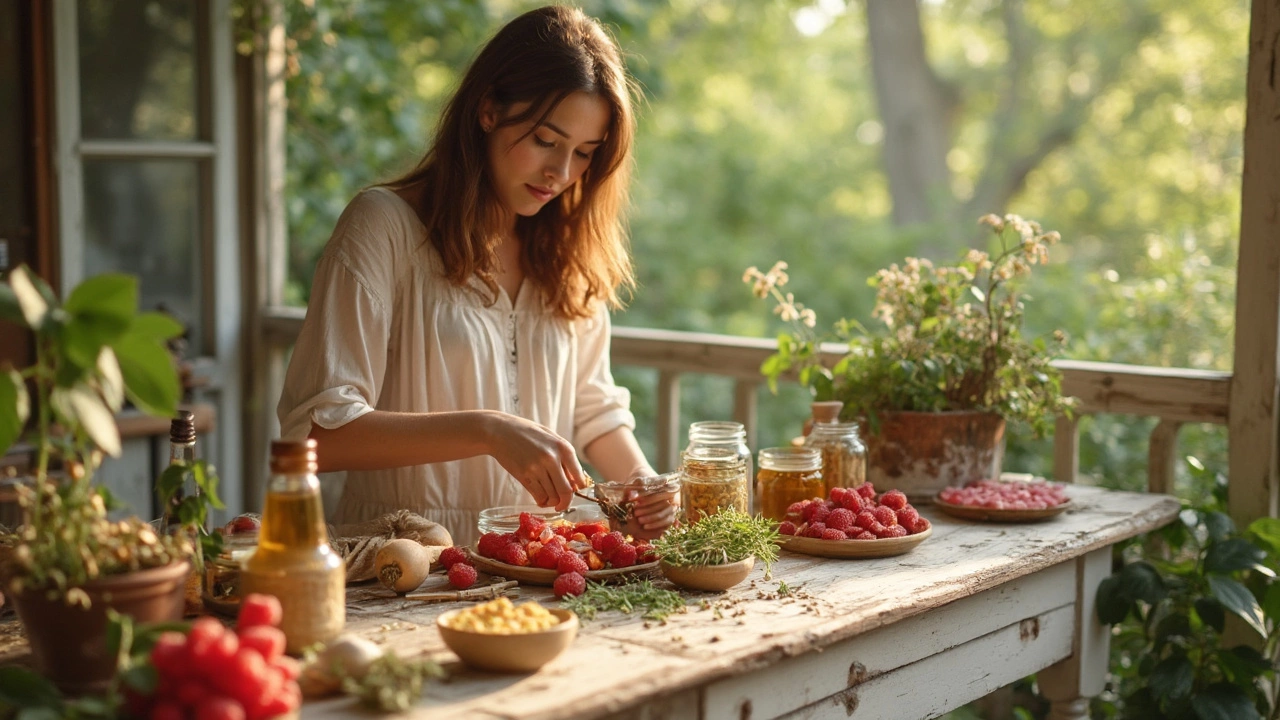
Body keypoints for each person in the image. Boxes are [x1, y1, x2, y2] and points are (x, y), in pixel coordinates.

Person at [277, 5, 675, 547]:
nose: (561, 173)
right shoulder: (384, 227)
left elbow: (593, 406)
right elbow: (317, 434)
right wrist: (487, 430)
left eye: (584, 153)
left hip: (540, 564)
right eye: (545, 140)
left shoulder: (566, 248)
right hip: (405, 566)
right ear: (488, 110)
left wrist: (642, 485)